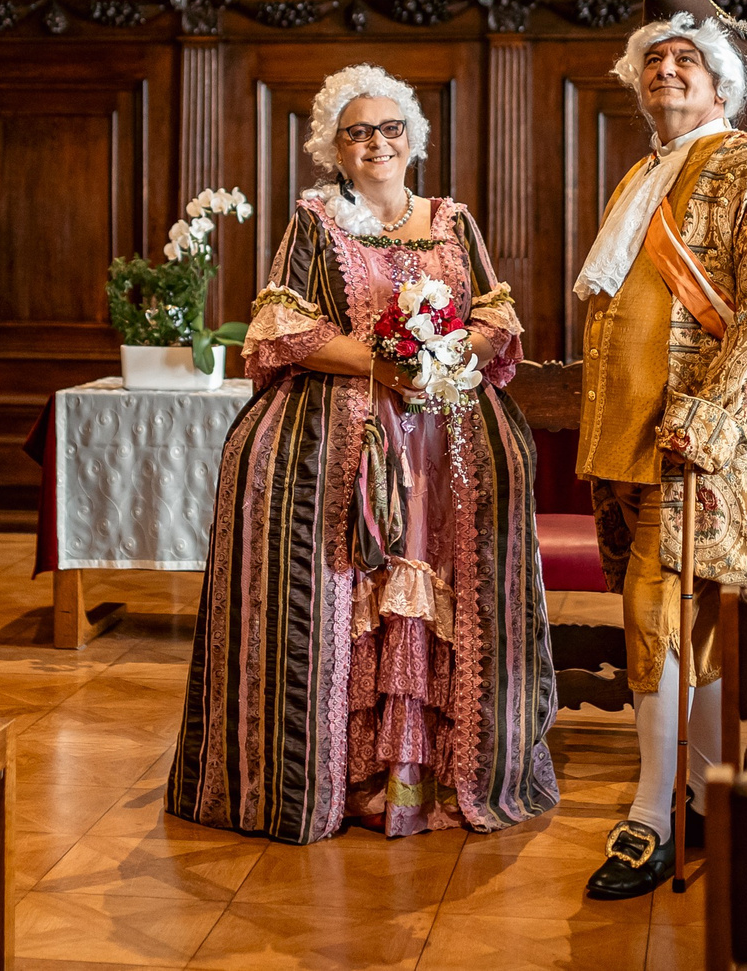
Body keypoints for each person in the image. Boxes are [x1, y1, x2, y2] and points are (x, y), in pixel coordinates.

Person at [167, 63, 558, 842]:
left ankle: (434, 777)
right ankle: (340, 779)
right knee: (346, 597)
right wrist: (387, 365)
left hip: (445, 445)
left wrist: (447, 356)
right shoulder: (316, 223)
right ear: (334, 147)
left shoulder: (453, 220)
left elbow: (497, 317)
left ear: (413, 137)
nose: (377, 142)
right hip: (345, 438)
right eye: (358, 132)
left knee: (444, 590)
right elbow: (284, 326)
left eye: (390, 128)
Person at [574, 0, 747, 900]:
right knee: (686, 620)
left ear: (722, 85)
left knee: (665, 613)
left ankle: (651, 817)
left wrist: (713, 413)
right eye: (653, 58)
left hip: (699, 436)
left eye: (685, 59)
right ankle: (700, 794)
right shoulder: (639, 175)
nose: (666, 69)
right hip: (630, 437)